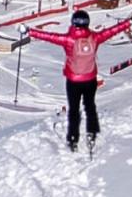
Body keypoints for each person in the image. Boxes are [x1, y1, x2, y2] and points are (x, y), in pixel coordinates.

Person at [28, 10, 104, 152]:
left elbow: (48, 36)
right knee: (90, 106)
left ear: (73, 22)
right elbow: (111, 31)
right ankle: (92, 134)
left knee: (73, 110)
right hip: (90, 79)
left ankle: (73, 139)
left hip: (73, 80)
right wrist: (130, 22)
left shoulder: (69, 40)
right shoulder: (95, 38)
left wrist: (29, 31)